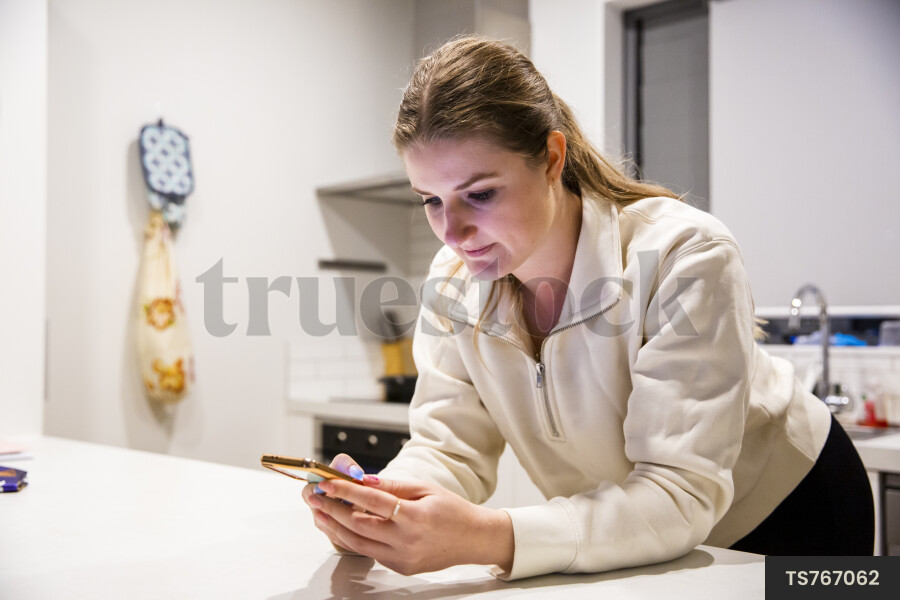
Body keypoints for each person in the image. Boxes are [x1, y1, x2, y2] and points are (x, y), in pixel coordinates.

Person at [301, 36, 874, 579]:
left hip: (789, 509)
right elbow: (448, 446)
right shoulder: (453, 286)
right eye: (431, 200)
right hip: (638, 536)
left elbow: (680, 492)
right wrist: (379, 507)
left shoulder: (682, 254)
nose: (452, 231)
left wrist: (488, 537)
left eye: (479, 194)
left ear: (552, 158)